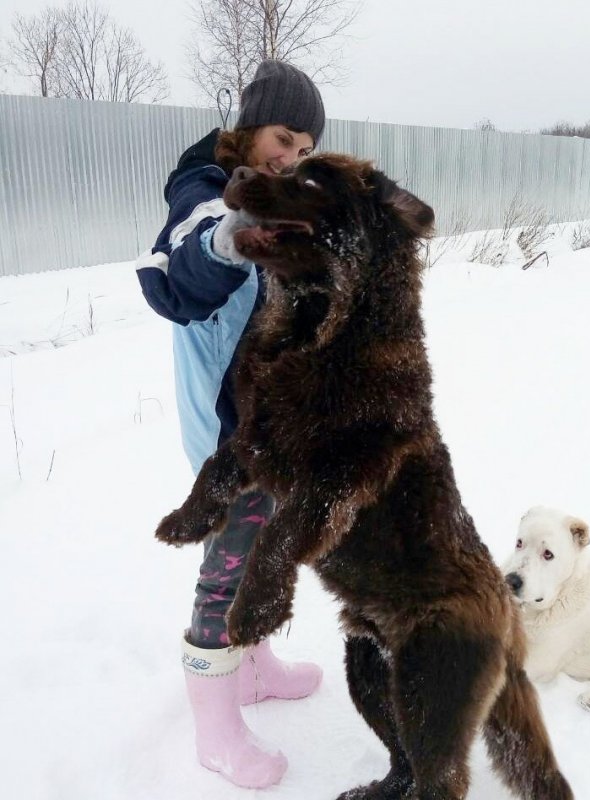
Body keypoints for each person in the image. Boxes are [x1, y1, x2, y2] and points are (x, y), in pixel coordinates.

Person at [136, 60, 325, 789]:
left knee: (267, 552)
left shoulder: (282, 201)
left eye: (304, 149)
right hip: (227, 440)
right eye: (283, 137)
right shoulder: (202, 191)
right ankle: (214, 723)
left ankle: (255, 666)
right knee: (228, 569)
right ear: (248, 125)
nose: (290, 157)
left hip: (274, 428)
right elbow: (181, 274)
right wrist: (232, 235)